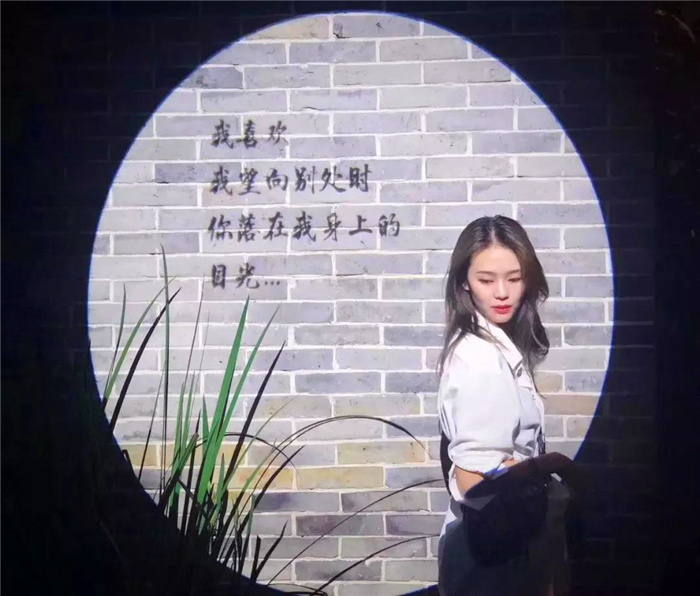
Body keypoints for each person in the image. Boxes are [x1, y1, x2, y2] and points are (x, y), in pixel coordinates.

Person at [435, 215, 585, 596]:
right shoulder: (480, 359)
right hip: (494, 560)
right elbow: (473, 481)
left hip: (504, 552)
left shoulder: (495, 346)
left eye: (514, 279)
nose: (501, 293)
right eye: (486, 280)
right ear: (464, 282)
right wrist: (545, 465)